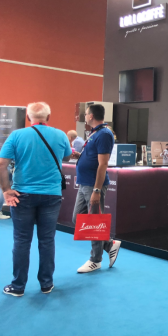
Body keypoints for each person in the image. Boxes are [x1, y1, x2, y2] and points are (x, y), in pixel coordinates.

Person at [0, 102, 71, 296]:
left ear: (29, 117)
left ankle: (18, 286)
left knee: (22, 240)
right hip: (52, 194)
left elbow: (0, 164)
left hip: (22, 194)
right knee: (47, 240)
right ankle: (46, 283)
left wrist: (6, 190)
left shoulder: (17, 135)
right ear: (49, 116)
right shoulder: (60, 135)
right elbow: (67, 156)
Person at [71, 104, 121, 273]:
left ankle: (96, 260)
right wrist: (80, 156)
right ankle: (109, 244)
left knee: (94, 222)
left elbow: (103, 164)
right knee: (78, 219)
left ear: (91, 116)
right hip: (84, 183)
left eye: (86, 114)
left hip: (93, 185)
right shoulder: (95, 133)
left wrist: (97, 190)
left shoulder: (104, 134)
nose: (85, 116)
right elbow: (94, 157)